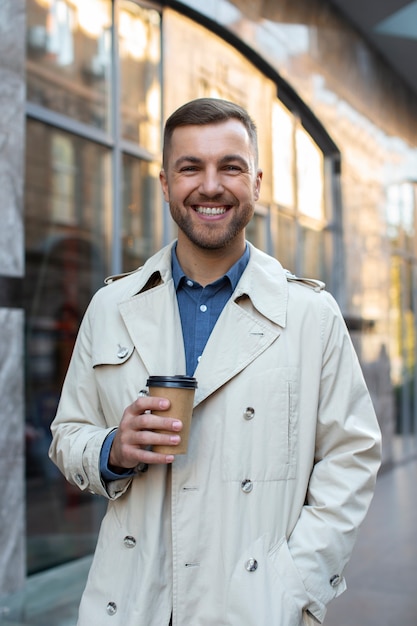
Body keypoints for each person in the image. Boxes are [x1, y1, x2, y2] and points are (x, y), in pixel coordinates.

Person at [49, 97, 381, 626]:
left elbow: (351, 454)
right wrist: (114, 447)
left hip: (254, 606)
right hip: (133, 603)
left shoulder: (310, 313)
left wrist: (297, 581)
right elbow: (68, 434)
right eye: (190, 168)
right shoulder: (112, 306)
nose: (210, 186)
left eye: (230, 166)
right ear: (164, 184)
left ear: (256, 182)